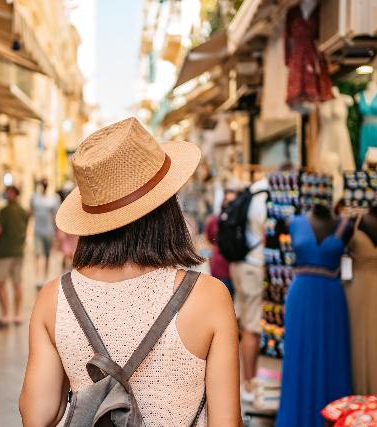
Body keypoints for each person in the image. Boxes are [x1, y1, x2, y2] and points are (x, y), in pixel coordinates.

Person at [20, 118, 242, 426]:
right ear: (167, 207)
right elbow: (227, 422)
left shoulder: (54, 298)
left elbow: (36, 417)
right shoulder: (208, 297)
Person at [229, 177, 269, 403]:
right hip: (254, 268)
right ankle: (249, 383)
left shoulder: (249, 194)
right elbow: (266, 234)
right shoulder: (263, 201)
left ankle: (243, 379)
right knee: (252, 328)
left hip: (240, 265)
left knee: (243, 324)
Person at [0, 185, 29, 327]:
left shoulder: (4, 211)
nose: (5, 194)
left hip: (5, 251)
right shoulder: (23, 211)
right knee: (17, 283)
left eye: (7, 192)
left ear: (12, 193)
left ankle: (5, 315)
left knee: (0, 283)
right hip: (19, 251)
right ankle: (18, 315)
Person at [204, 190, 236, 298]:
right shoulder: (214, 220)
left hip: (235, 268)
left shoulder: (239, 221)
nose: (229, 204)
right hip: (220, 267)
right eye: (227, 200)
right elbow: (208, 237)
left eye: (233, 201)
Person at [31, 179, 60, 285]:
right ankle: (38, 277)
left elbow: (55, 216)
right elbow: (31, 213)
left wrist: (57, 232)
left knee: (47, 255)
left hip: (49, 231)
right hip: (38, 231)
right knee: (38, 254)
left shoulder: (53, 199)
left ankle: (45, 276)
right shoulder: (35, 198)